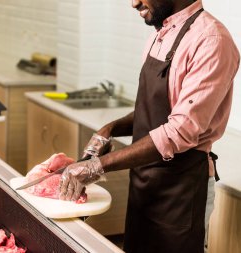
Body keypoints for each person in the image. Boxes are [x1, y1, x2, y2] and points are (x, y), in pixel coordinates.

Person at [58, 0, 240, 252]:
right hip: (145, 183)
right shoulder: (162, 34)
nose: (134, 3)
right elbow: (156, 109)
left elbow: (180, 130)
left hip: (180, 191)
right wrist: (111, 129)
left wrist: (97, 166)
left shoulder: (212, 40)